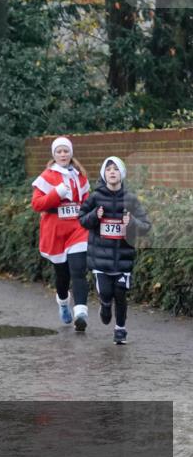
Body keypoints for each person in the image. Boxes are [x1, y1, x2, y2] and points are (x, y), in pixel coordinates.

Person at [78, 157, 151, 345]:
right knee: (106, 293)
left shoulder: (130, 199)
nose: (112, 172)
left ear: (122, 174)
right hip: (100, 259)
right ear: (104, 174)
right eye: (108, 169)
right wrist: (95, 215)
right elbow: (82, 219)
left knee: (120, 294)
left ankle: (120, 329)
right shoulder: (95, 197)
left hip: (123, 258)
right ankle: (104, 305)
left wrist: (131, 222)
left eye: (116, 169)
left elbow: (146, 226)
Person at [31, 136, 91, 331]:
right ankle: (63, 303)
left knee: (78, 270)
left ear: (71, 153)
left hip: (77, 230)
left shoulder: (80, 176)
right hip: (56, 231)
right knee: (62, 275)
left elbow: (87, 202)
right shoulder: (47, 177)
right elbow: (36, 204)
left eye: (66, 151)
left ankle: (80, 313)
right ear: (54, 155)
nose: (63, 154)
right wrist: (56, 193)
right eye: (59, 151)